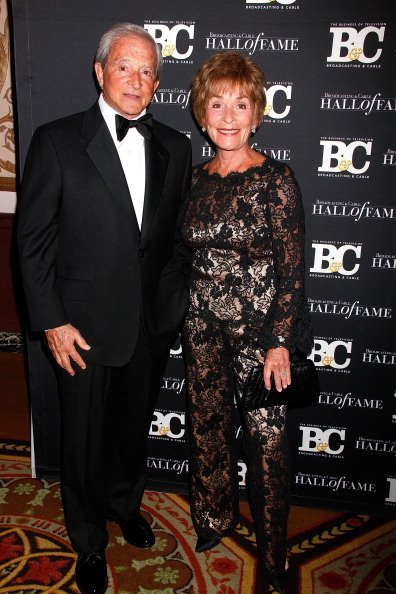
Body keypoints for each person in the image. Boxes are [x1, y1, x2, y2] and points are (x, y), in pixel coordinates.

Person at [17, 22, 191, 594]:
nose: (135, 80)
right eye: (124, 66)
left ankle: (125, 504)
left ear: (157, 81)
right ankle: (88, 539)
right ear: (99, 72)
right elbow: (34, 241)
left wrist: (167, 317)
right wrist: (51, 321)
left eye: (146, 71)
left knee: (129, 433)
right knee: (83, 440)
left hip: (146, 327)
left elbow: (170, 243)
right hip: (80, 329)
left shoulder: (176, 146)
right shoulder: (57, 140)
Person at [182, 51, 313, 593]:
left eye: (241, 104)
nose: (229, 116)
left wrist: (279, 343)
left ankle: (275, 549)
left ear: (257, 113)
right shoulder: (194, 180)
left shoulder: (277, 180)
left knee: (268, 445)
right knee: (207, 431)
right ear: (202, 113)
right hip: (201, 332)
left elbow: (292, 270)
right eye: (218, 103)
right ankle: (214, 520)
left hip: (260, 339)